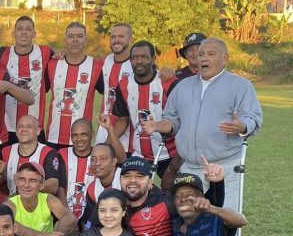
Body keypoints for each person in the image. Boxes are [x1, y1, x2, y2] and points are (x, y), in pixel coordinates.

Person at [149, 37, 262, 213]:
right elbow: (172, 120)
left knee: (224, 218)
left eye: (211, 54)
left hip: (224, 165)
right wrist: (157, 126)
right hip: (190, 166)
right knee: (189, 215)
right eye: (201, 54)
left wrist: (241, 126)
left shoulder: (240, 85)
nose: (203, 58)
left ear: (225, 58)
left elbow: (253, 117)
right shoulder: (182, 87)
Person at [110, 40, 180, 180]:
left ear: (153, 58)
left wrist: (179, 158)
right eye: (134, 58)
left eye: (144, 57)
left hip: (169, 153)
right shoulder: (123, 86)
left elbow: (183, 119)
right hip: (139, 154)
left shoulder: (168, 83)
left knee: (173, 193)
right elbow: (122, 120)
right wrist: (106, 145)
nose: (139, 61)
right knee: (134, 193)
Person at [44, 22, 105, 147]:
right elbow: (38, 93)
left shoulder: (96, 67)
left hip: (82, 138)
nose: (75, 40)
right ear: (65, 40)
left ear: (86, 40)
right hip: (53, 137)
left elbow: (110, 96)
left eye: (80, 36)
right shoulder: (52, 64)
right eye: (71, 36)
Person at [5, 162, 76, 236]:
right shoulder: (10, 204)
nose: (26, 185)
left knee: (60, 225)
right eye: (22, 179)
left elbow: (70, 218)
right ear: (16, 182)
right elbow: (10, 227)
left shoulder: (48, 199)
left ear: (41, 185)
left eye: (32, 180)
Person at [0, 114, 63, 196]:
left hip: (36, 204)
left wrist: (27, 184)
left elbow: (53, 186)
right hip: (11, 203)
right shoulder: (5, 151)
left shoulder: (48, 153)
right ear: (16, 131)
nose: (24, 129)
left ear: (38, 131)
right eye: (20, 126)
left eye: (29, 126)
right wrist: (2, 174)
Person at [99, 23, 134, 138]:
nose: (116, 40)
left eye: (121, 36)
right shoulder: (106, 61)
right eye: (113, 37)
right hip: (105, 126)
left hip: (131, 132)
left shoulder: (138, 64)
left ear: (130, 40)